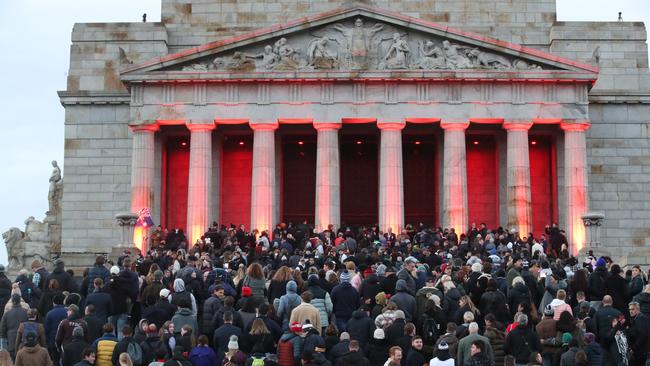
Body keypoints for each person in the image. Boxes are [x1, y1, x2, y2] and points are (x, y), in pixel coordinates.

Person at [0, 294, 28, 359]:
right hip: (23, 340)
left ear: (13, 302)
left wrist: (4, 339)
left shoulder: (7, 313)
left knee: (13, 359)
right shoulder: (26, 312)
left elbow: (2, 328)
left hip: (11, 341)